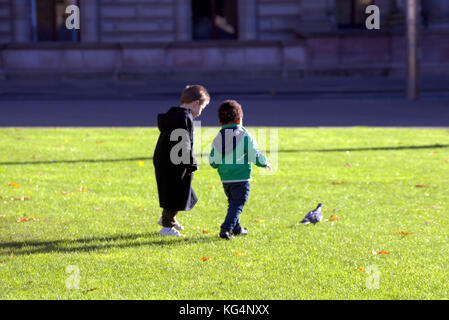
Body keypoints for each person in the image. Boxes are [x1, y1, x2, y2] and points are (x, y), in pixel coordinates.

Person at [209, 100, 271, 240]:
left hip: (226, 179)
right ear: (239, 119)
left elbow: (213, 161)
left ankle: (237, 229)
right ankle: (226, 228)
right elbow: (253, 153)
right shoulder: (243, 135)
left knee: (233, 204)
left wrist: (216, 164)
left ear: (220, 122)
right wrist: (264, 162)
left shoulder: (218, 137)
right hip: (241, 178)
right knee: (237, 204)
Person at [153, 85, 210, 237]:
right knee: (176, 192)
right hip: (174, 162)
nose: (201, 112)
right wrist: (190, 164)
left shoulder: (175, 115)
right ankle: (167, 226)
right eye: (202, 108)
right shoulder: (184, 118)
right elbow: (183, 143)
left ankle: (168, 218)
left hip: (165, 159)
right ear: (196, 103)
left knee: (183, 192)